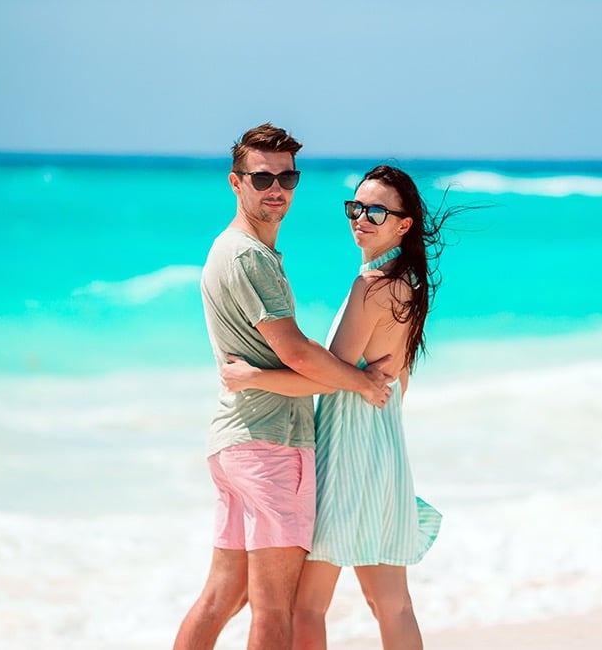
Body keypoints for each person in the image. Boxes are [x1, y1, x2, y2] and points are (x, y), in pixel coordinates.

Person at [222, 164, 460, 650]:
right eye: (356, 208)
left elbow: (327, 375)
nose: (361, 219)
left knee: (306, 607)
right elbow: (396, 383)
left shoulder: (372, 286)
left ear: (404, 224)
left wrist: (253, 378)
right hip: (384, 450)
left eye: (377, 211)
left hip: (346, 454)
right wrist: (360, 389)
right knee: (391, 604)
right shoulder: (407, 285)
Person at [173, 124, 393, 650]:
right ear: (236, 182)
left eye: (287, 178)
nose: (276, 189)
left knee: (223, 595)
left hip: (235, 442)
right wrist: (361, 383)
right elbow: (295, 351)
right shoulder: (248, 255)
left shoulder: (233, 250)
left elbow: (285, 352)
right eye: (262, 177)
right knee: (275, 611)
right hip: (271, 447)